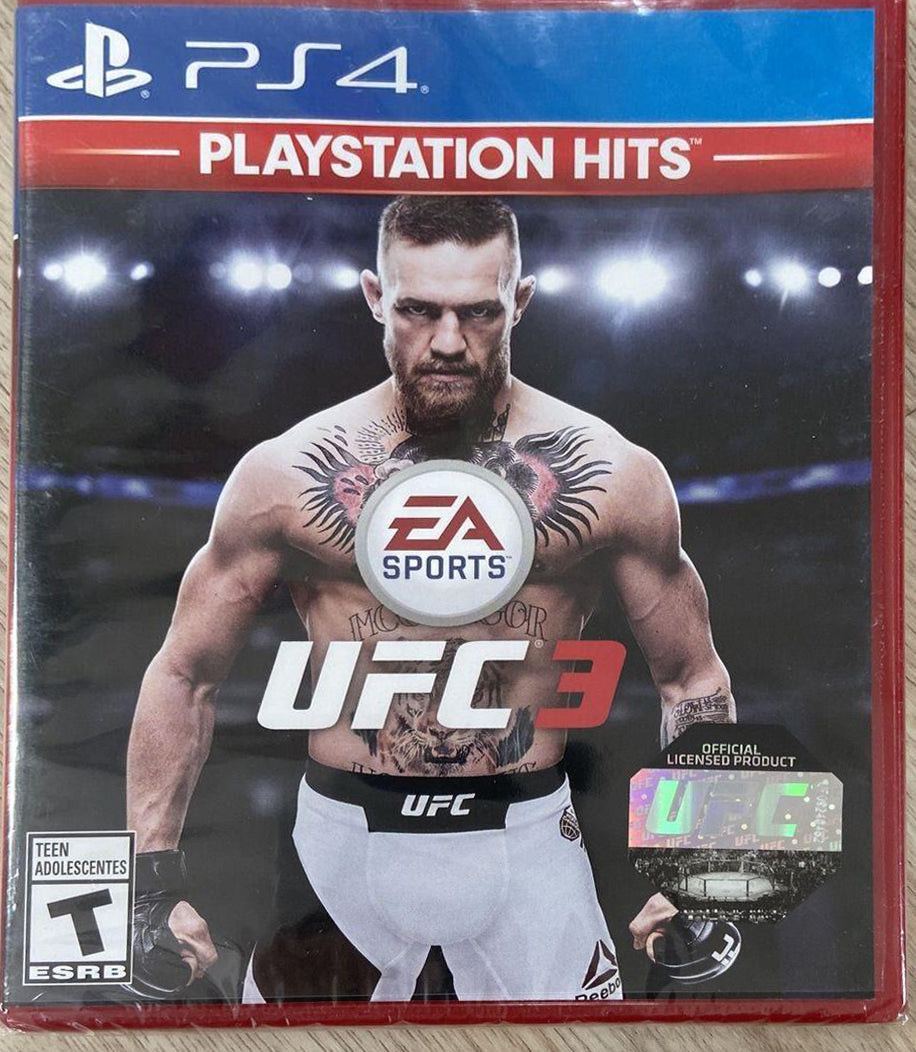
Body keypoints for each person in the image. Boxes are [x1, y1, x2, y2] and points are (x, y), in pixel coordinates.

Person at [126, 195, 734, 1003]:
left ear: (519, 301)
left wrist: (702, 869)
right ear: (376, 297)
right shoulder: (286, 474)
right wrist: (150, 883)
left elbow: (691, 678)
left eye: (479, 312)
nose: (449, 341)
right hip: (341, 845)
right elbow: (184, 673)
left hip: (529, 838)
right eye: (419, 310)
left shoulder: (613, 473)